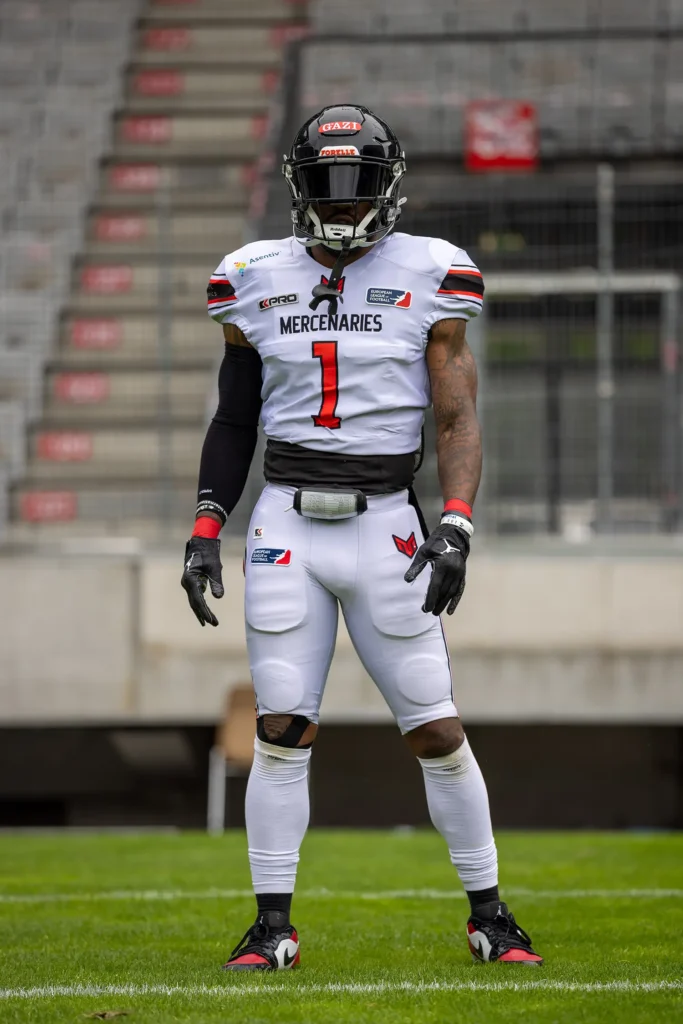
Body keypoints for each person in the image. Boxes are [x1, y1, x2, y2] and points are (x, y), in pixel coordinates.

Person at [181, 104, 543, 970]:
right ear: (297, 188)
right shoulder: (250, 274)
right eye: (325, 188)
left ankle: (490, 916)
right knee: (280, 727)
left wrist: (454, 526)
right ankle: (272, 926)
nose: (341, 206)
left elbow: (456, 415)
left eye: (357, 188)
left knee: (435, 729)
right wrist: (203, 527)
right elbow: (234, 418)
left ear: (389, 189)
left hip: (386, 520)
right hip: (286, 524)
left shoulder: (434, 272)